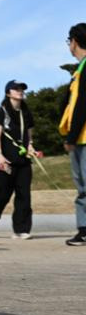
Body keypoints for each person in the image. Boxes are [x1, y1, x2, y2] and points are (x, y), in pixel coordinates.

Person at [0, 80, 36, 239]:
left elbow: (28, 134)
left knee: (24, 195)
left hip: (23, 160)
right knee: (3, 194)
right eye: (16, 89)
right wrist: (0, 156)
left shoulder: (26, 112)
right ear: (8, 93)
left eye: (22, 89)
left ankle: (21, 229)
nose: (20, 91)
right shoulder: (3, 111)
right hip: (5, 159)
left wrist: (30, 146)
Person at [60, 23, 86, 246]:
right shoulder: (79, 70)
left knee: (85, 187)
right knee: (82, 187)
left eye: (69, 41)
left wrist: (71, 136)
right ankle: (84, 230)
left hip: (83, 138)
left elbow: (82, 105)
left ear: (74, 42)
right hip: (79, 137)